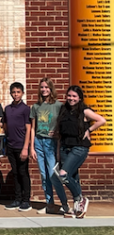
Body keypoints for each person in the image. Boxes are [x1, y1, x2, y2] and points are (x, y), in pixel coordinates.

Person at [55, 85, 105, 218]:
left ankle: (80, 199)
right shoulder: (63, 110)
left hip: (79, 147)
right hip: (65, 147)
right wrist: (58, 152)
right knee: (73, 178)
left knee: (63, 175)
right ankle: (78, 207)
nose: (71, 98)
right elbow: (60, 133)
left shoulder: (84, 110)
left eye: (74, 96)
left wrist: (89, 130)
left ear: (79, 98)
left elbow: (101, 120)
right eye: (69, 96)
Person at [30, 77, 68, 214]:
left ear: (51, 89)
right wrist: (32, 147)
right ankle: (50, 204)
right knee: (43, 175)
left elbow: (64, 124)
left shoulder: (58, 106)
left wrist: (57, 133)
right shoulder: (35, 107)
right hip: (38, 142)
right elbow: (33, 128)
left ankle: (64, 204)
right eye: (42, 87)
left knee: (53, 175)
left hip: (51, 142)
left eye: (46, 87)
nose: (44, 89)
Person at [3, 82, 32, 212]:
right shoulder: (7, 109)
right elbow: (4, 125)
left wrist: (26, 147)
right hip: (11, 145)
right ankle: (17, 199)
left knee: (23, 173)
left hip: (21, 146)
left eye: (18, 92)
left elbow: (28, 128)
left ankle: (26, 200)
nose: (16, 94)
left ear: (22, 93)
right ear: (10, 93)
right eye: (14, 92)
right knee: (15, 173)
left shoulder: (26, 109)